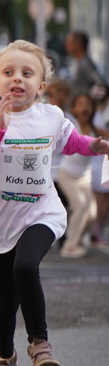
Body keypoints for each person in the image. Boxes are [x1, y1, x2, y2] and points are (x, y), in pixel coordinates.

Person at [0, 40, 109, 366]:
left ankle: (40, 344)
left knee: (26, 267)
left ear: (40, 86)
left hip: (41, 212)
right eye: (8, 72)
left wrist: (94, 146)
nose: (17, 79)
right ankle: (5, 359)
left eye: (27, 73)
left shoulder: (51, 116)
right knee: (4, 301)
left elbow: (69, 141)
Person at [56, 93, 103, 258]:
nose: (85, 107)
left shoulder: (96, 129)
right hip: (67, 175)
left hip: (85, 177)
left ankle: (78, 240)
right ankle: (69, 246)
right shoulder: (70, 124)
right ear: (74, 109)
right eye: (81, 104)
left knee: (92, 213)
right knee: (80, 207)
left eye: (88, 104)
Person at [62, 30, 104, 98]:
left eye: (69, 41)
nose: (66, 44)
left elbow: (100, 83)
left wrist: (89, 96)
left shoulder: (85, 63)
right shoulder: (76, 62)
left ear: (78, 44)